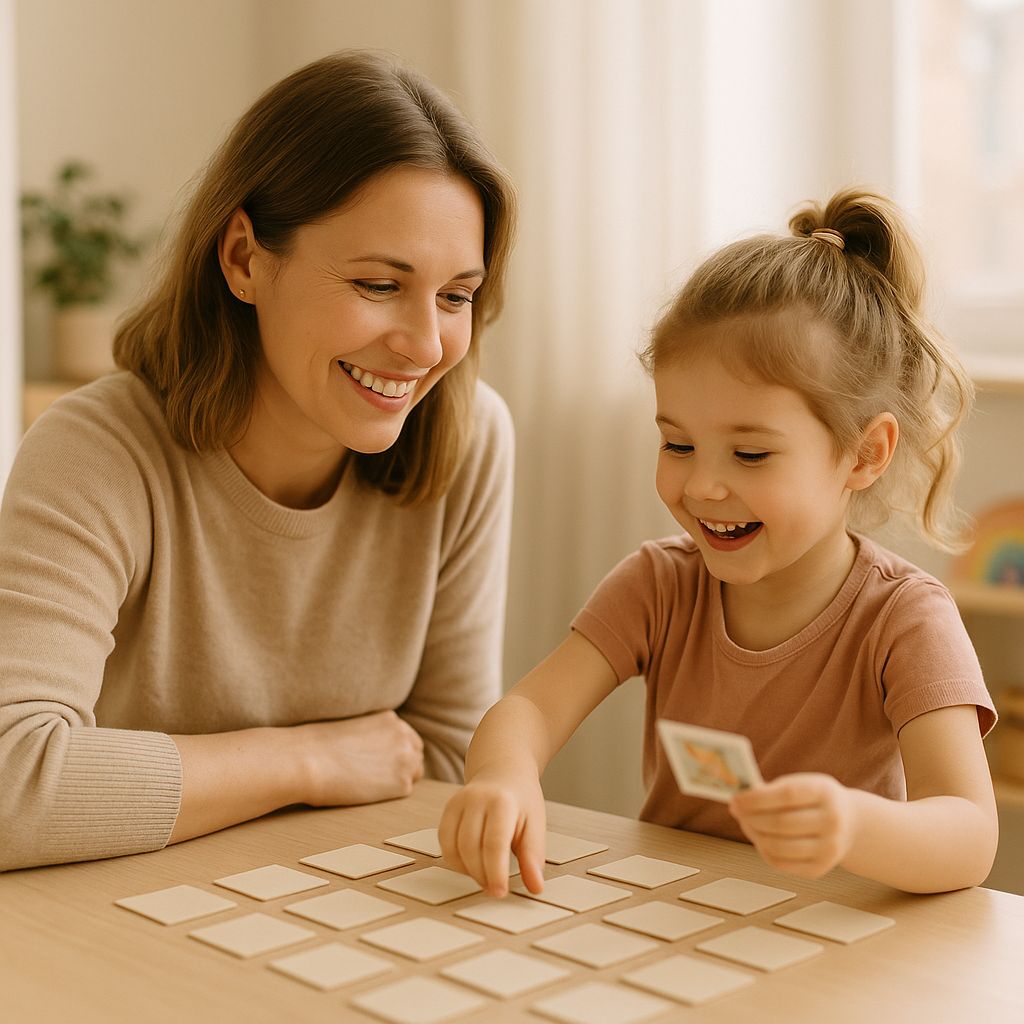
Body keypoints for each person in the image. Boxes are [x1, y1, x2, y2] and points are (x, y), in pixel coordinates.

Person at [0, 50, 517, 871]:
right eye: (380, 285)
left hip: (325, 900)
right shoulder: (97, 452)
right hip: (110, 913)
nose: (426, 345)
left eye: (456, 295)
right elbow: (11, 787)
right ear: (244, 258)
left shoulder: (469, 436)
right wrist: (306, 758)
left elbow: (444, 763)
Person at [440, 188, 998, 896]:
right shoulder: (659, 584)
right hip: (675, 925)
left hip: (833, 950)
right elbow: (526, 711)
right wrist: (504, 777)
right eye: (677, 443)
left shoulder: (906, 619)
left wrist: (854, 825)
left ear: (864, 455)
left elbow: (969, 837)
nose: (702, 486)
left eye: (751, 455)